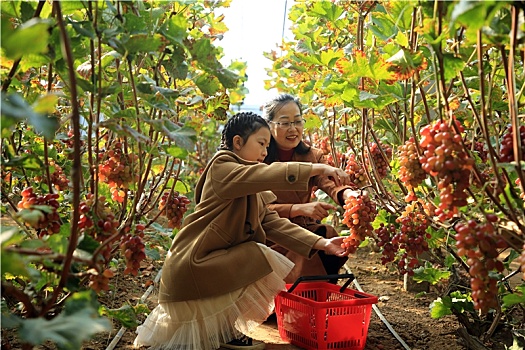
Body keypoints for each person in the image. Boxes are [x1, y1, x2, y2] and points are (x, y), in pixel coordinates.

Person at [133, 112, 352, 350]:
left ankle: (223, 330)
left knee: (260, 254)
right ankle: (222, 331)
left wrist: (323, 244)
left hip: (211, 265)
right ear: (238, 142)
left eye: (267, 146)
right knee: (258, 254)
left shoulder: (248, 186)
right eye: (261, 144)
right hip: (194, 265)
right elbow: (265, 174)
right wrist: (316, 168)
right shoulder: (221, 167)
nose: (265, 153)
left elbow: (273, 223)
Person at [262, 93, 359, 284]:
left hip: (303, 228)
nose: (293, 129)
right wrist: (297, 209)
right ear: (269, 126)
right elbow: (255, 210)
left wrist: (350, 195)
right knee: (304, 250)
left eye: (298, 122)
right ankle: (297, 302)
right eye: (285, 123)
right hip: (269, 233)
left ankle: (312, 300)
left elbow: (330, 183)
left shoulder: (312, 156)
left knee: (329, 236)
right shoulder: (259, 159)